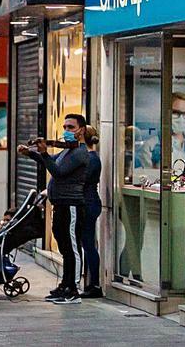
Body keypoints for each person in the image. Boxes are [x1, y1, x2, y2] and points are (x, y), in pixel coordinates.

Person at [19, 113, 90, 305]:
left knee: (73, 248)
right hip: (60, 205)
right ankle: (65, 285)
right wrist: (31, 153)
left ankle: (73, 289)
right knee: (64, 247)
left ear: (81, 130)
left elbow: (58, 172)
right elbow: (48, 161)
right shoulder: (67, 151)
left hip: (72, 205)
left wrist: (42, 153)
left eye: (71, 127)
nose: (66, 131)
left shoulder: (81, 153)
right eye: (65, 127)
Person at [78, 125, 104, 299]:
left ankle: (94, 284)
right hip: (89, 202)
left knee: (88, 244)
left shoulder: (90, 159)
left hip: (88, 203)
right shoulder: (91, 157)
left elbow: (81, 179)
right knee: (87, 243)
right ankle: (91, 283)